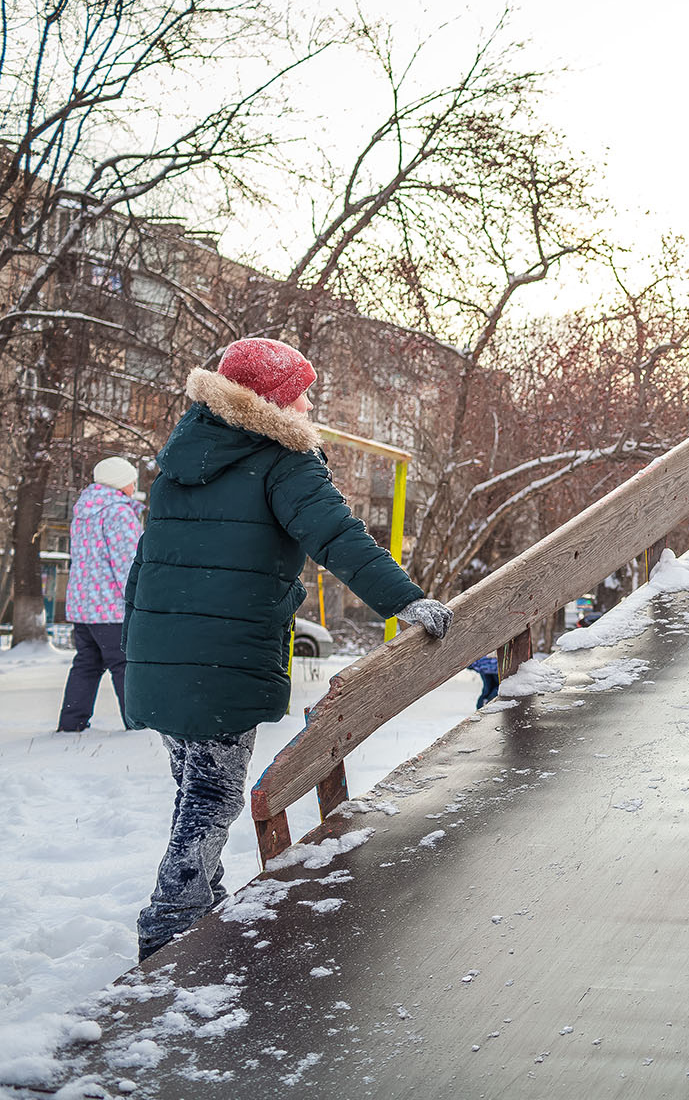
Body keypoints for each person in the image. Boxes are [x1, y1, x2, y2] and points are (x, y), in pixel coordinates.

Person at [122, 337, 454, 962]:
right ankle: (169, 928)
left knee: (194, 790)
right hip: (223, 656)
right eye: (299, 392)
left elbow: (146, 564)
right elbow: (337, 536)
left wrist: (133, 646)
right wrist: (403, 601)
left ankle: (199, 903)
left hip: (157, 652)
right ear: (270, 401)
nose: (307, 404)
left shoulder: (179, 459)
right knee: (211, 799)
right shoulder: (283, 459)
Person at [55, 456, 144, 732]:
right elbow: (128, 562)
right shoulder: (118, 512)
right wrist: (138, 599)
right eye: (131, 480)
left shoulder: (84, 510)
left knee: (86, 664)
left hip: (84, 607)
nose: (133, 486)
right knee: (125, 665)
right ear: (120, 483)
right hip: (111, 608)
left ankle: (72, 723)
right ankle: (137, 725)